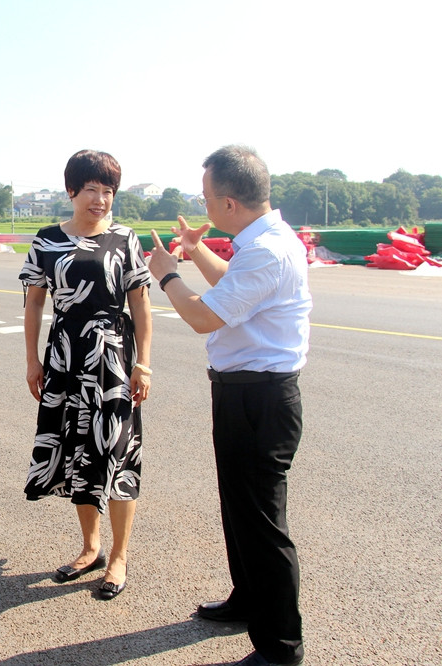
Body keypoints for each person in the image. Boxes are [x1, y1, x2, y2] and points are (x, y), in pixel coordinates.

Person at [146, 145, 310, 666]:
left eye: (207, 197)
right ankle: (249, 599)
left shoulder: (267, 251)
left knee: (262, 523)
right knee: (240, 509)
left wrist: (167, 273)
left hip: (261, 398)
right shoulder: (263, 241)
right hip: (245, 393)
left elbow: (204, 317)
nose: (204, 204)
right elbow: (233, 290)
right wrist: (195, 252)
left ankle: (280, 648)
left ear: (230, 203)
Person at [20, 150, 152, 601]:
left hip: (112, 359)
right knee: (78, 449)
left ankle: (119, 556)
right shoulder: (47, 239)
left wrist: (144, 362)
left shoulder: (125, 239)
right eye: (91, 189)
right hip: (65, 357)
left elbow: (141, 305)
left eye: (108, 191)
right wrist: (33, 360)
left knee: (117, 449)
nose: (100, 199)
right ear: (71, 191)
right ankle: (90, 547)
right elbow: (34, 304)